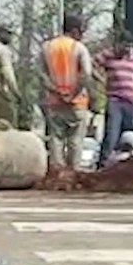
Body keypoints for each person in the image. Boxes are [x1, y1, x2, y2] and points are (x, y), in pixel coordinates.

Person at [38, 14, 93, 170]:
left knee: (56, 138)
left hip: (54, 102)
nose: (82, 35)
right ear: (74, 30)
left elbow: (41, 73)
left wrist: (55, 90)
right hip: (77, 102)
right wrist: (72, 94)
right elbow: (86, 74)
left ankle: (57, 174)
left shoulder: (47, 47)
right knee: (75, 140)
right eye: (81, 31)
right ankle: (73, 173)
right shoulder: (79, 48)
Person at [94, 29, 133, 169]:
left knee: (131, 136)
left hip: (131, 101)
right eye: (124, 45)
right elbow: (92, 65)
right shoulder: (108, 54)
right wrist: (101, 80)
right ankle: (103, 164)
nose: (126, 49)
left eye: (129, 46)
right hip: (115, 100)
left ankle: (130, 165)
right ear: (118, 44)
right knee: (112, 133)